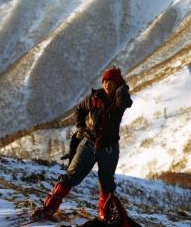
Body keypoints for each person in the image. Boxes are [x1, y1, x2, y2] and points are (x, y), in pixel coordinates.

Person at [31, 67, 133, 225]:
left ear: (117, 84)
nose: (107, 85)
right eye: (105, 81)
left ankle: (104, 214)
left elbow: (125, 103)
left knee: (106, 182)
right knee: (70, 176)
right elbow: (79, 110)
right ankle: (48, 207)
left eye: (111, 82)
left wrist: (122, 90)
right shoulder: (94, 98)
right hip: (88, 143)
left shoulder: (119, 99)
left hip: (109, 148)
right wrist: (81, 127)